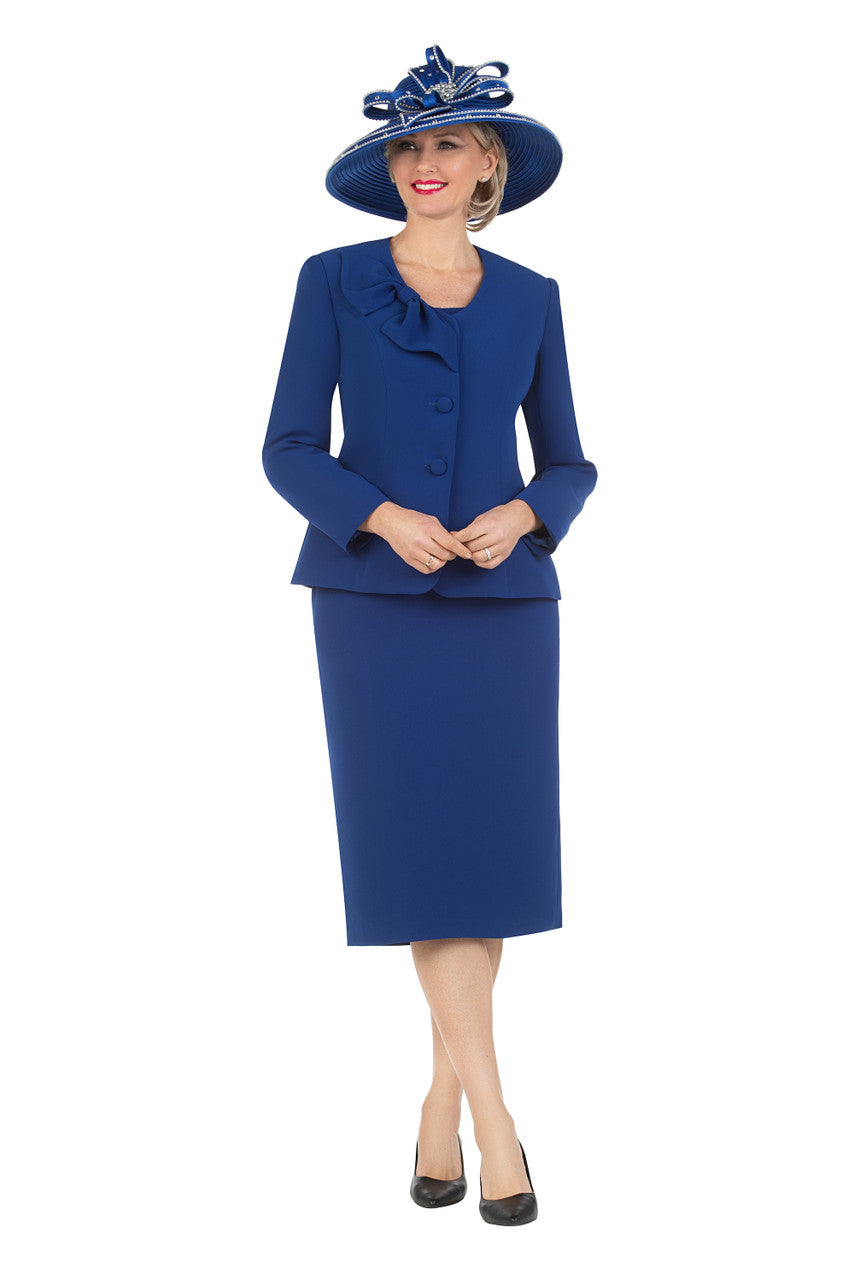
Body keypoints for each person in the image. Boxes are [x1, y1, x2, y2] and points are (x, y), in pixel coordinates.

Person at [261, 44, 597, 1226]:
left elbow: (570, 461)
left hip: (504, 611)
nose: (424, 163)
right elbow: (286, 447)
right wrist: (378, 514)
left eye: (447, 142)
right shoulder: (332, 280)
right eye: (408, 145)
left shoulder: (530, 297)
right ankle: (498, 1123)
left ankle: (439, 1108)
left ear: (487, 163)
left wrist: (528, 513)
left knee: (482, 860)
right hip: (372, 606)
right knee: (421, 860)